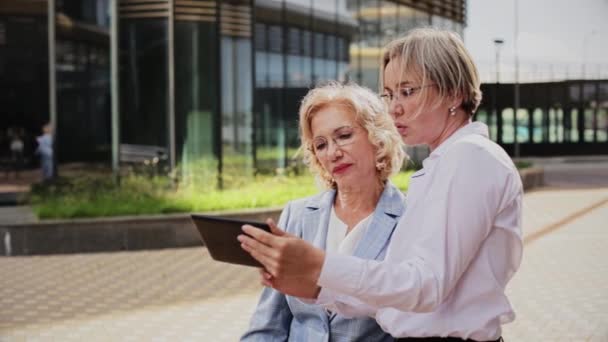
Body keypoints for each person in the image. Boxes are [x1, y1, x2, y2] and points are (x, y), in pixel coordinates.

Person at [239, 28, 523, 342]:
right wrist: (316, 287)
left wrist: (320, 266)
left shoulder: (471, 158)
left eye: (408, 90)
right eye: (389, 94)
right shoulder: (443, 166)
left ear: (453, 93)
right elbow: (397, 296)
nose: (394, 107)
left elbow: (424, 285)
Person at [241, 82, 406, 342]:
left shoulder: (409, 217)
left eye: (344, 136)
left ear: (377, 136)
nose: (333, 153)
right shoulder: (297, 215)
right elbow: (268, 324)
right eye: (320, 144)